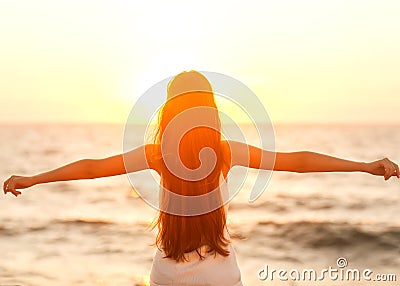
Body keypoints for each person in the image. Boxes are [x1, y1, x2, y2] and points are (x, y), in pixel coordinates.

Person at [3, 70, 399, 286]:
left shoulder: (159, 153)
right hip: (219, 275)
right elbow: (297, 161)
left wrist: (34, 178)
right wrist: (363, 166)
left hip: (167, 272)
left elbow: (91, 168)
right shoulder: (225, 150)